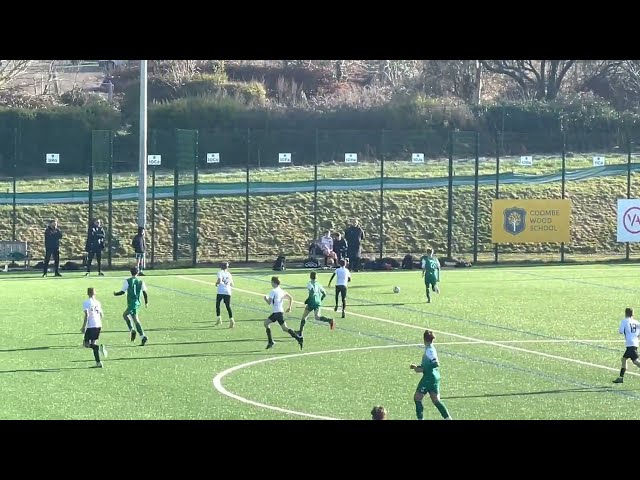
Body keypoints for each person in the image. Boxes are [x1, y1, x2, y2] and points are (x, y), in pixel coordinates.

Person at [410, 329, 452, 420]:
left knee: (417, 398)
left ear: (424, 339)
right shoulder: (430, 348)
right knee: (436, 400)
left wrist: (424, 369)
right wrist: (417, 367)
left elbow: (436, 363)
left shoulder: (430, 350)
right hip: (434, 377)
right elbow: (427, 365)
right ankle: (448, 418)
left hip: (429, 377)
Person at [263, 276, 303, 350]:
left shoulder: (273, 291)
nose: (271, 283)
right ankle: (298, 338)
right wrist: (289, 307)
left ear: (274, 282)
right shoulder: (281, 291)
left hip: (276, 312)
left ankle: (270, 341)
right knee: (284, 328)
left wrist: (265, 298)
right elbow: (291, 297)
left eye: (271, 282)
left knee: (266, 323)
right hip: (280, 312)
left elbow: (269, 302)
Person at [114, 266, 149, 346]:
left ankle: (132, 330)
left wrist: (116, 294)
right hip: (137, 302)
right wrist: (146, 302)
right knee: (135, 319)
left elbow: (122, 292)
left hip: (132, 303)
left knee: (125, 315)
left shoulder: (127, 281)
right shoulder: (141, 281)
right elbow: (144, 292)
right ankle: (142, 336)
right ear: (138, 272)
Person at [298, 271, 335, 338]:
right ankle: (329, 320)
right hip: (317, 302)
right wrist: (320, 300)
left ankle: (300, 333)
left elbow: (312, 291)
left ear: (310, 276)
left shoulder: (309, 283)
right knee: (317, 317)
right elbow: (324, 293)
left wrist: (308, 299)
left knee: (304, 317)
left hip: (312, 302)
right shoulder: (318, 284)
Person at [80, 287, 107, 368]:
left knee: (86, 344)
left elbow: (87, 315)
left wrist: (84, 326)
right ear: (95, 293)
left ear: (87, 293)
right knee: (93, 344)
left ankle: (99, 348)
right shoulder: (98, 302)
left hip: (91, 325)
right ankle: (98, 363)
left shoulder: (86, 302)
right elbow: (102, 315)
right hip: (98, 325)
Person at [613, 307, 640, 384]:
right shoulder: (637, 322)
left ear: (625, 314)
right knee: (624, 359)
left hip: (630, 344)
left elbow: (621, 331)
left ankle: (621, 378)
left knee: (636, 361)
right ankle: (621, 378)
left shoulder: (624, 321)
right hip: (635, 344)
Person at [215, 261, 235, 328]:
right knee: (228, 306)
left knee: (218, 305)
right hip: (228, 291)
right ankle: (231, 319)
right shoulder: (229, 274)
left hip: (221, 291)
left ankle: (218, 318)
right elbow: (232, 284)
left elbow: (219, 280)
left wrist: (216, 283)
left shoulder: (220, 273)